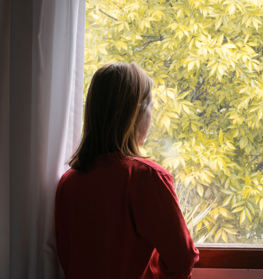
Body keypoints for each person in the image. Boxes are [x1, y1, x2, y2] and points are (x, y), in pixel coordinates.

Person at [55, 62, 199, 279]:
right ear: (135, 114)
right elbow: (182, 259)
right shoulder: (147, 178)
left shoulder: (69, 182)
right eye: (151, 106)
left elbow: (69, 260)